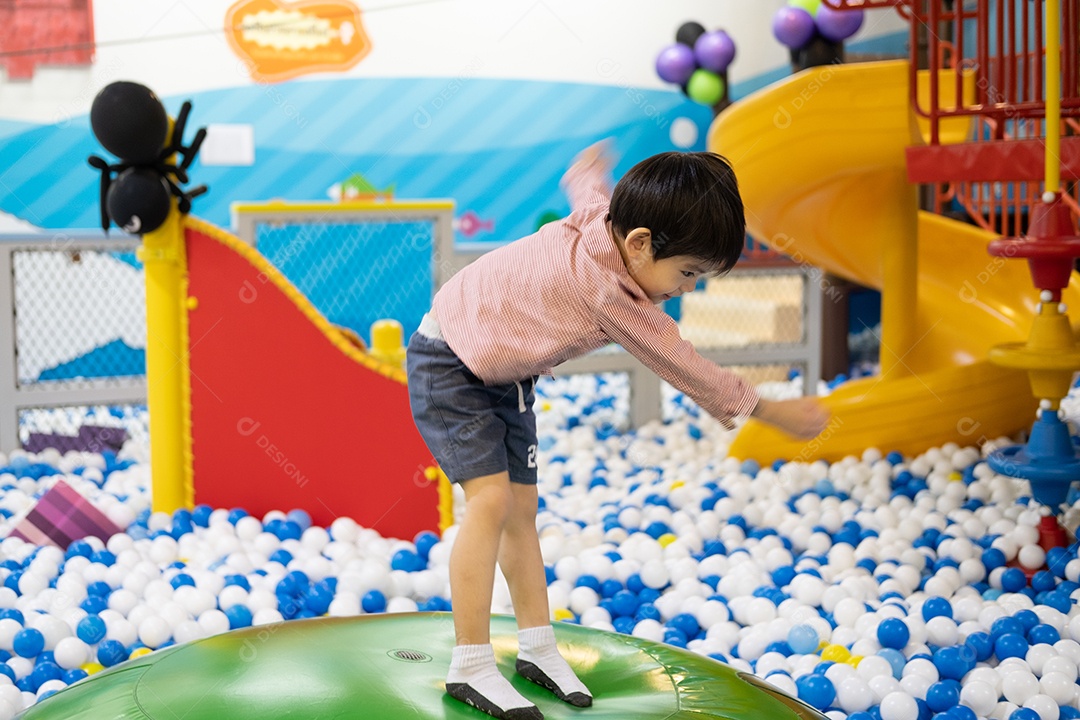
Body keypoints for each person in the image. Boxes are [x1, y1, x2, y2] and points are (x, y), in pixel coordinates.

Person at [406, 142, 830, 720]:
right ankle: (472, 664)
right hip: (449, 359)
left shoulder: (608, 224)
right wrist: (773, 413)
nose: (690, 288)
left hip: (502, 372)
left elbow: (590, 196)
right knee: (490, 503)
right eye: (687, 273)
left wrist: (585, 172)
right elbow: (683, 364)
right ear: (639, 244)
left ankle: (536, 647)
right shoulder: (612, 294)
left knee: (521, 511)